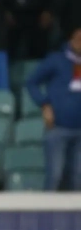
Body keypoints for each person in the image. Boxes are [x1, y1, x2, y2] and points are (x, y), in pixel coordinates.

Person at [26, 27, 81, 191]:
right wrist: (44, 104)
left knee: (78, 177)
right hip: (58, 127)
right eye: (78, 39)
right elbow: (32, 82)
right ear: (71, 40)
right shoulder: (56, 60)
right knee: (55, 176)